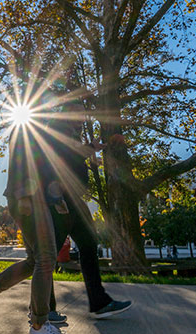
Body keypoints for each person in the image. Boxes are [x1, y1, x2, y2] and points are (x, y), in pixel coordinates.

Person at [0, 122, 74, 334]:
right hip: (29, 198)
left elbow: (45, 170)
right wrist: (24, 197)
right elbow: (21, 161)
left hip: (38, 199)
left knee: (34, 261)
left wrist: (57, 199)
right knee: (46, 259)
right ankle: (39, 325)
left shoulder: (44, 129)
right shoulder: (28, 126)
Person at [40, 101, 132, 320]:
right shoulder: (58, 128)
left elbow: (74, 159)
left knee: (89, 244)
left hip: (75, 200)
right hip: (61, 199)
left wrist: (90, 159)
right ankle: (44, 309)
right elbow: (63, 157)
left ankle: (99, 302)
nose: (84, 117)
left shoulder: (72, 130)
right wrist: (91, 148)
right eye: (81, 113)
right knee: (48, 255)